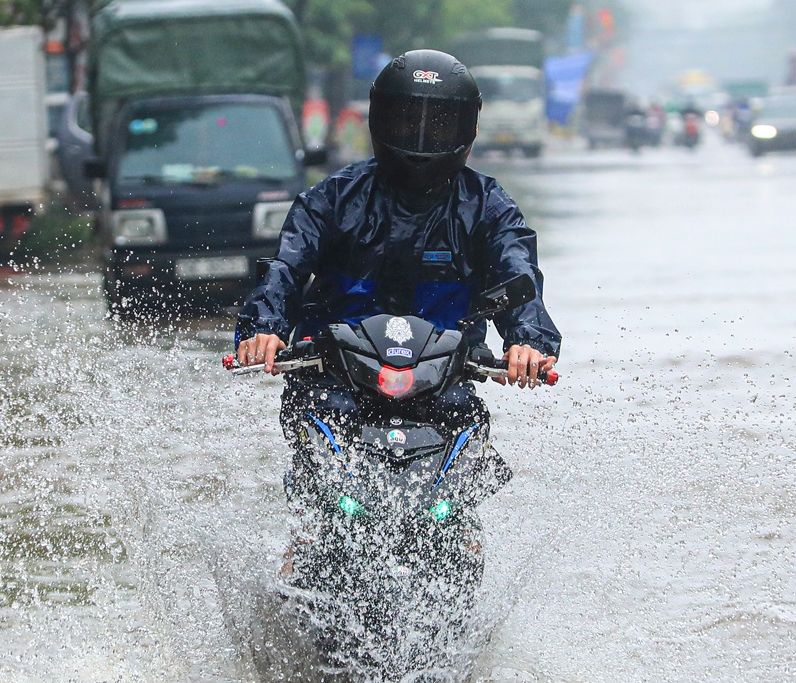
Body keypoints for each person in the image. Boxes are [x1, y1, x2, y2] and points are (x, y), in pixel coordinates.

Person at [234, 49, 561, 443]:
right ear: (378, 120)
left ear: (470, 128)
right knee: (321, 415)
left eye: (438, 125)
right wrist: (266, 328)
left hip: (442, 385)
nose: (421, 138)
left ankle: (459, 503)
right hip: (334, 379)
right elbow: (286, 267)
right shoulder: (333, 198)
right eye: (407, 121)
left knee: (468, 420)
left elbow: (518, 271)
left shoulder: (488, 207)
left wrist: (527, 339)